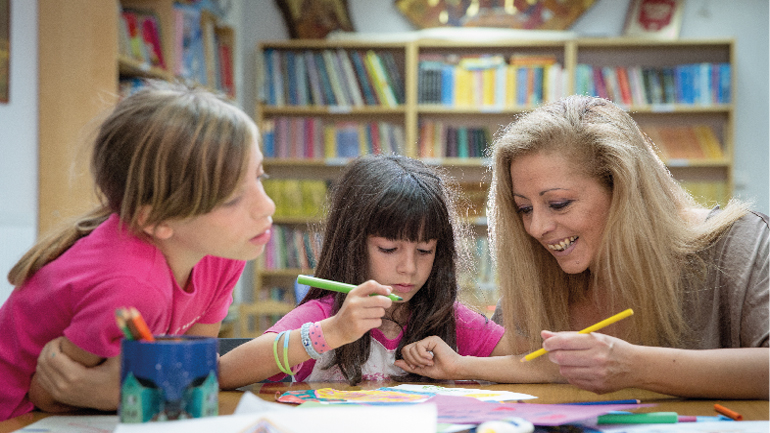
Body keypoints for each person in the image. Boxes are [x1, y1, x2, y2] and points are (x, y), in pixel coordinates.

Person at [397, 95, 768, 399]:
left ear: (623, 189)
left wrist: (635, 367)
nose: (537, 228)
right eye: (524, 208)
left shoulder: (740, 244)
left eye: (559, 204)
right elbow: (523, 368)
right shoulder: (540, 269)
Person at [0, 80, 275, 420]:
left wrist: (121, 389)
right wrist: (108, 394)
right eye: (232, 199)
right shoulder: (134, 286)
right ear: (157, 221)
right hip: (19, 415)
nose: (267, 206)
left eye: (260, 176)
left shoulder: (222, 253)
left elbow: (196, 366)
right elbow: (51, 391)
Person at [219, 155, 555, 387]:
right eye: (389, 249)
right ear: (353, 243)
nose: (409, 268)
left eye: (425, 251)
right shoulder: (327, 316)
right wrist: (331, 333)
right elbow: (225, 373)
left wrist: (461, 365)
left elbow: (540, 363)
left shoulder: (447, 319)